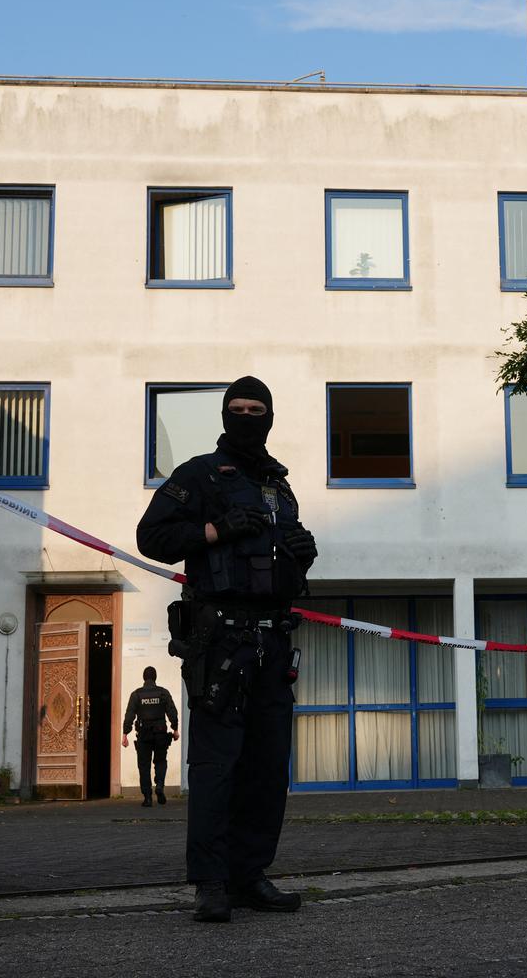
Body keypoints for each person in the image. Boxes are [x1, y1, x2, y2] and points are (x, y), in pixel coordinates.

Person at [136, 376, 318, 923]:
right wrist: (214, 530)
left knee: (267, 767)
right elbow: (152, 538)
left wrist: (302, 556)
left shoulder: (279, 486)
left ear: (269, 416)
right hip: (222, 641)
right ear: (224, 414)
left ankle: (250, 875)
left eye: (256, 408)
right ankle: (211, 884)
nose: (246, 416)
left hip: (272, 639)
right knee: (217, 766)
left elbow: (277, 564)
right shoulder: (196, 474)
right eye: (236, 409)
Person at [121, 666, 179, 807]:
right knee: (160, 761)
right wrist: (175, 729)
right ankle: (159, 785)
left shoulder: (136, 695)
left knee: (144, 765)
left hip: (143, 734)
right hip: (160, 732)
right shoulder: (163, 693)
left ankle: (147, 797)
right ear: (155, 678)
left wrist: (125, 733)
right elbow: (172, 711)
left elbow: (129, 715)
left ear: (144, 678)